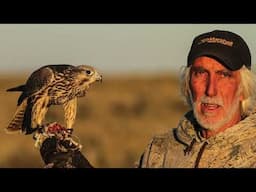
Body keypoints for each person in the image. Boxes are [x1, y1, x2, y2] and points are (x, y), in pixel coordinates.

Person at [136, 29, 256, 168]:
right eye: (201, 73)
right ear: (187, 84)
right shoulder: (158, 152)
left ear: (243, 89)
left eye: (223, 75)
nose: (211, 90)